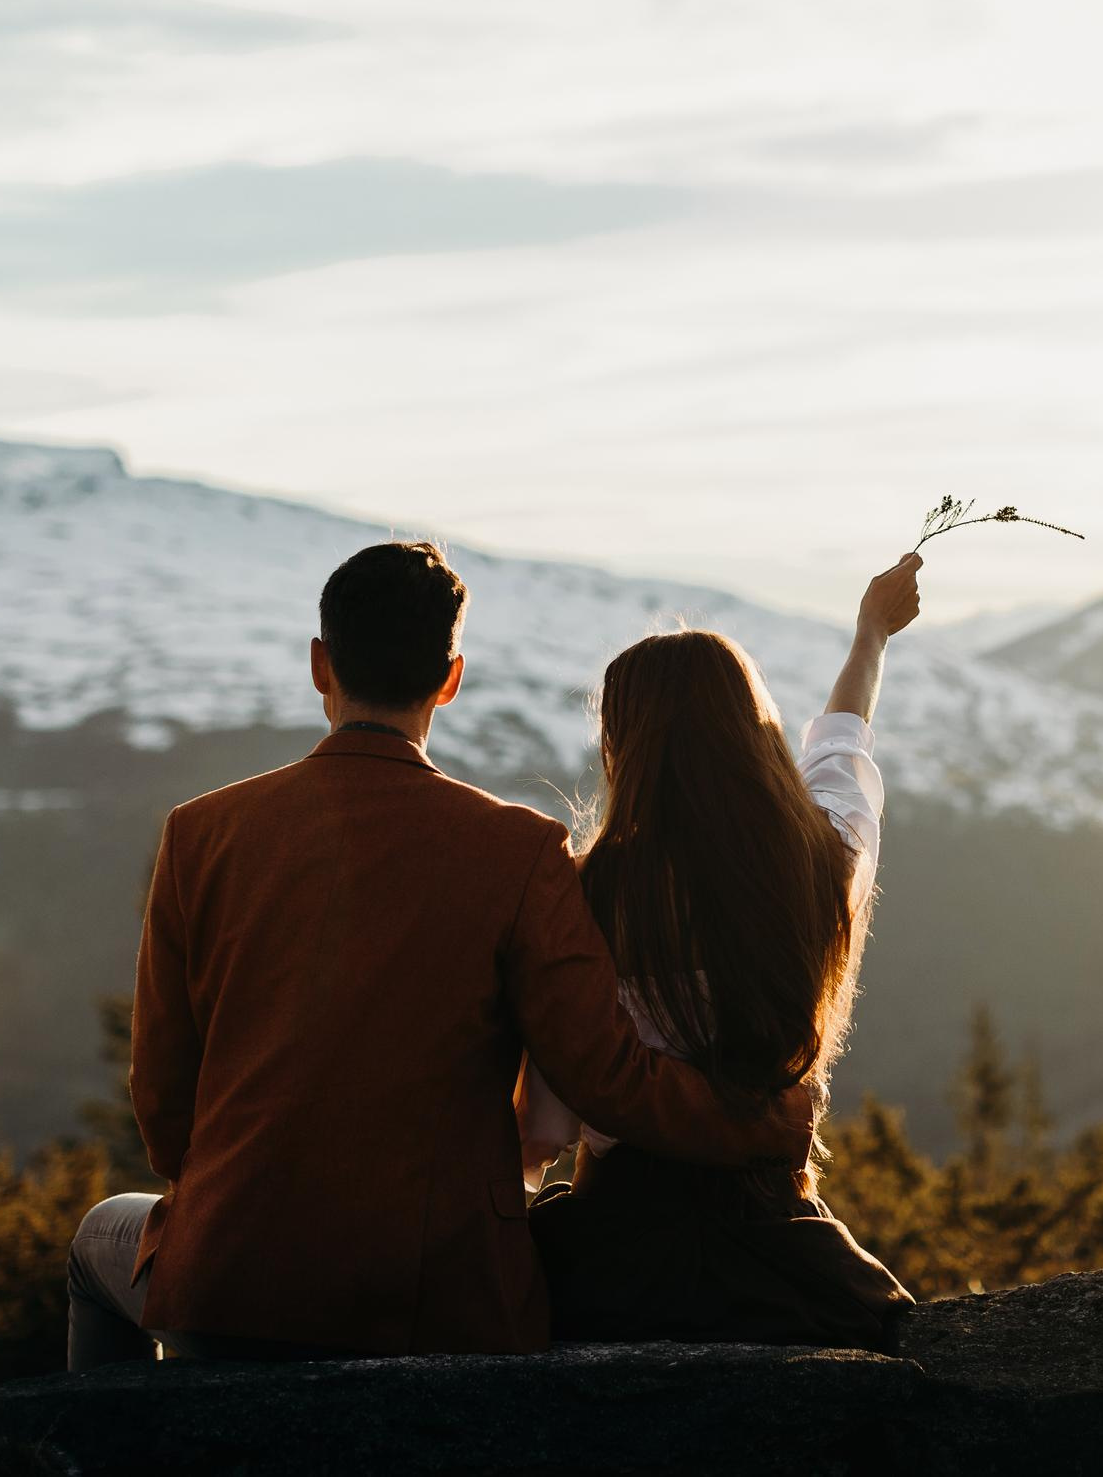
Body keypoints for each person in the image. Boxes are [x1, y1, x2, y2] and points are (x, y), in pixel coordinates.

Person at [65, 541, 813, 1367]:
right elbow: (607, 1076)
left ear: (321, 664)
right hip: (443, 1294)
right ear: (451, 677)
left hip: (236, 1282)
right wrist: (762, 1117)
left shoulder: (200, 834)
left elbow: (165, 1094)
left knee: (96, 1240)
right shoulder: (522, 850)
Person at [520, 554, 922, 1350]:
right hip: (780, 1247)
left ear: (622, 746)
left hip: (613, 1253)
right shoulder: (821, 864)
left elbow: (542, 1131)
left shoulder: (575, 899)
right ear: (753, 733)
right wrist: (871, 635)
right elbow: (841, 754)